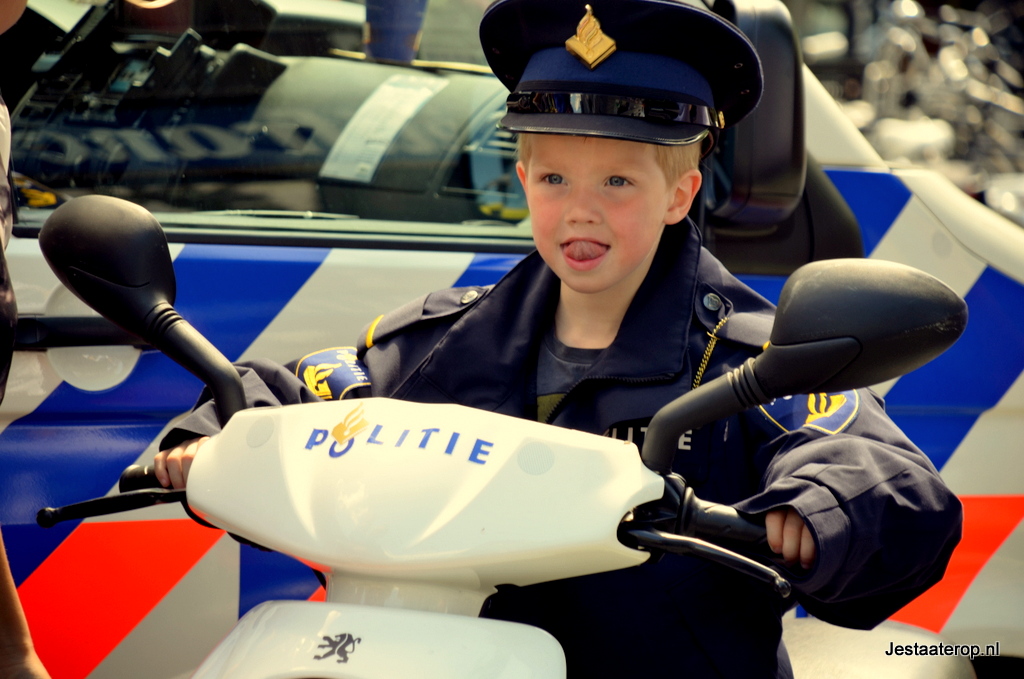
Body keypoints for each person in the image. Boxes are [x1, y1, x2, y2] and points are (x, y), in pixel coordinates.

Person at [155, 1, 962, 676]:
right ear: (522, 182)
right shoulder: (447, 338)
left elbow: (877, 472)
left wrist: (820, 504)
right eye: (554, 178)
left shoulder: (748, 362)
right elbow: (321, 388)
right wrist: (217, 430)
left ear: (680, 194)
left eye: (618, 181)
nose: (580, 210)